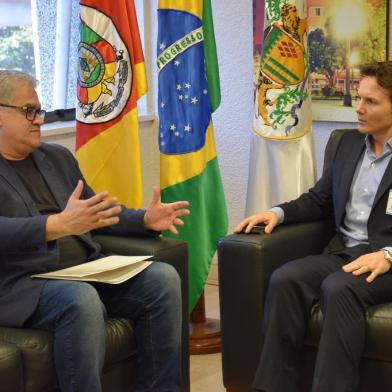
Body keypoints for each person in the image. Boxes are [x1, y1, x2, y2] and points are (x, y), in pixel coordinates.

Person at [0, 69, 190, 392]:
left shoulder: (56, 158)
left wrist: (144, 220)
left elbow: (95, 210)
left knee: (163, 279)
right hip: (23, 286)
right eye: (28, 111)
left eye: (38, 110)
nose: (38, 120)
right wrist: (53, 225)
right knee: (82, 299)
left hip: (82, 271)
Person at [235, 61, 392, 392]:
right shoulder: (348, 145)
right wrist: (277, 213)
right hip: (344, 251)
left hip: (385, 261)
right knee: (286, 279)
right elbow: (319, 199)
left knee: (340, 288)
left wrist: (388, 255)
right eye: (358, 98)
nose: (358, 109)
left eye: (371, 102)